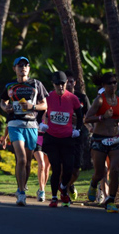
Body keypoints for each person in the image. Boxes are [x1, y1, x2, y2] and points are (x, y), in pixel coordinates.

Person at [0, 56, 49, 206]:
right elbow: (3, 101)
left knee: (27, 162)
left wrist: (32, 107)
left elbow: (44, 104)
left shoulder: (37, 84)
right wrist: (5, 107)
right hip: (15, 123)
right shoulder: (10, 86)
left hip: (32, 125)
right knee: (20, 158)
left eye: (26, 65)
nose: (23, 68)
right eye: (20, 65)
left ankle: (22, 185)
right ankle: (21, 193)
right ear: (15, 68)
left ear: (29, 68)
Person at [84, 72, 119, 213]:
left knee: (115, 170)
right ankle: (93, 183)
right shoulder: (99, 100)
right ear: (104, 85)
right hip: (99, 139)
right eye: (109, 83)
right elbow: (87, 119)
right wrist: (102, 117)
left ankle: (111, 200)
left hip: (116, 139)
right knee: (100, 172)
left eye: (115, 82)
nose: (113, 85)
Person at [42, 71, 83, 208]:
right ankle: (54, 198)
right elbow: (39, 109)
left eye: (63, 84)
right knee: (55, 168)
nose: (60, 86)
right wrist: (40, 124)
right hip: (52, 138)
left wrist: (78, 129)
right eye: (58, 84)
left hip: (67, 138)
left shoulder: (73, 98)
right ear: (53, 84)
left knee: (69, 167)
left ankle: (64, 186)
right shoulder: (48, 97)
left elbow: (80, 115)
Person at [64, 70, 91, 201]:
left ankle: (68, 185)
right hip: (63, 136)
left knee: (76, 170)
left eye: (71, 81)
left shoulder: (82, 98)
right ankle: (63, 192)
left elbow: (90, 117)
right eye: (66, 81)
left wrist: (80, 120)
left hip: (78, 136)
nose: (69, 84)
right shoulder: (59, 97)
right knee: (64, 166)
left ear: (74, 82)